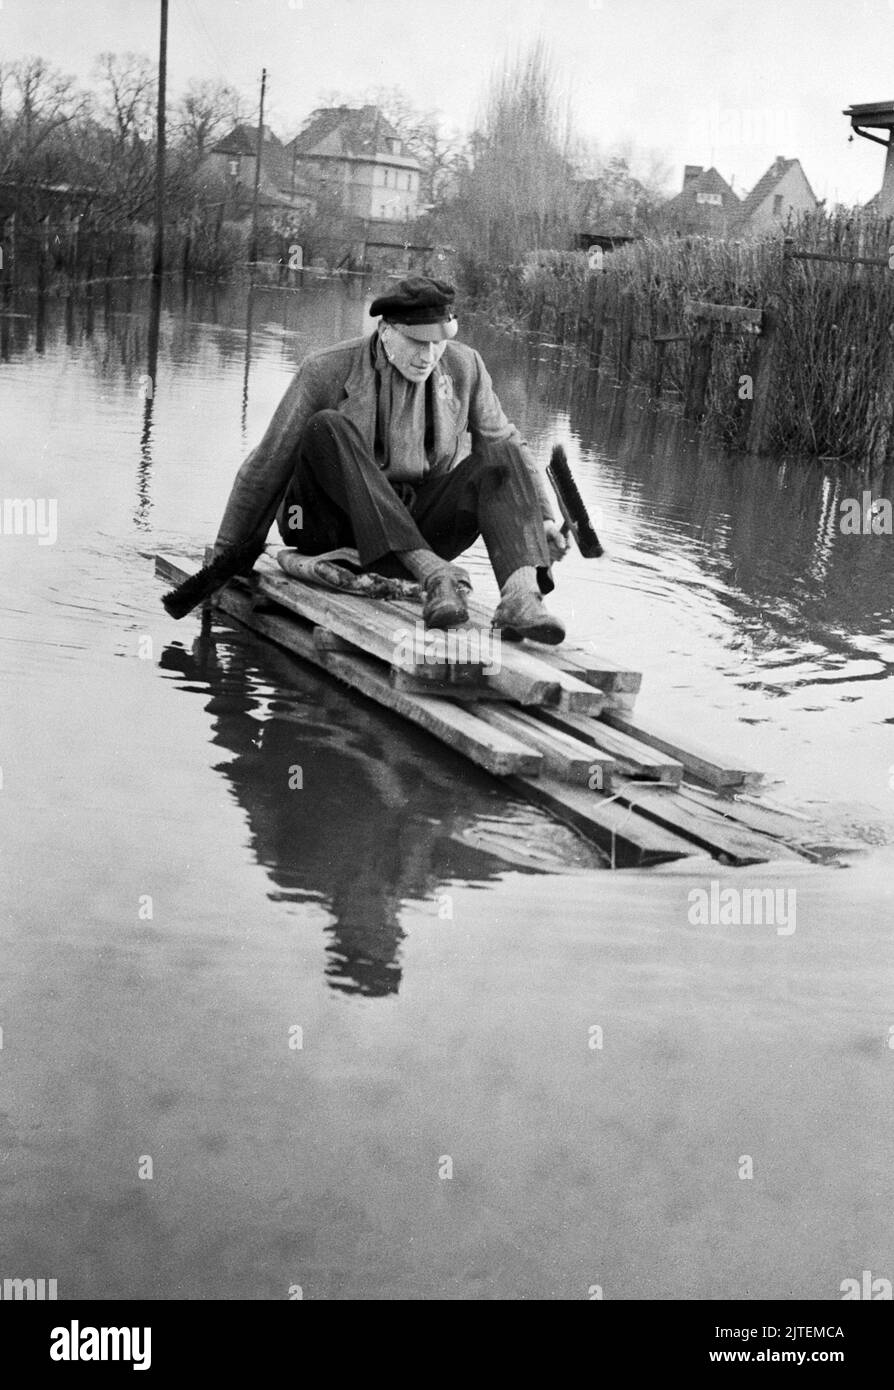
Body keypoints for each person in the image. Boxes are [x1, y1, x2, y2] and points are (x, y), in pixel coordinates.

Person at [213, 275, 569, 642]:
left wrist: (540, 519)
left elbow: (508, 442)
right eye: (417, 343)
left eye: (439, 343)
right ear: (385, 330)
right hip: (329, 526)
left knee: (500, 455)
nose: (429, 356)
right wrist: (223, 557)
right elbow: (264, 467)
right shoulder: (325, 369)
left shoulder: (467, 367)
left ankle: (521, 598)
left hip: (415, 526)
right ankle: (433, 573)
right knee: (327, 427)